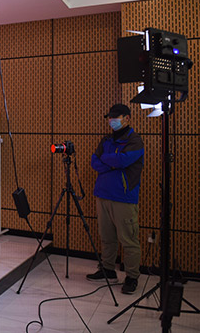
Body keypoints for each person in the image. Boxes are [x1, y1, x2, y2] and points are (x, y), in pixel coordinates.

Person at [87, 103, 144, 295]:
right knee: (107, 237)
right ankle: (108, 269)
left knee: (128, 240)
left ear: (127, 118)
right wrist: (112, 162)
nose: (111, 121)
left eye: (115, 117)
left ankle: (132, 276)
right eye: (110, 118)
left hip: (123, 198)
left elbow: (123, 160)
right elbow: (95, 162)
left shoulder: (135, 140)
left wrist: (109, 160)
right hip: (103, 194)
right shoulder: (106, 140)